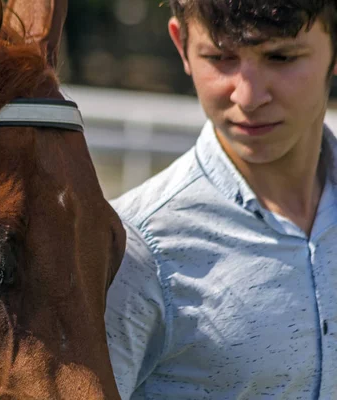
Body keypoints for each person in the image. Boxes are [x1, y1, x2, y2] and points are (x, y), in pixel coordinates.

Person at [105, 1, 337, 398]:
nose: (247, 97)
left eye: (280, 56)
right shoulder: (132, 250)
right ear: (182, 47)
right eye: (220, 57)